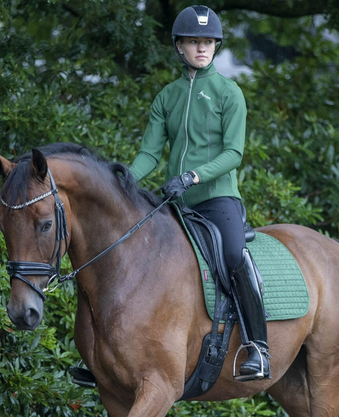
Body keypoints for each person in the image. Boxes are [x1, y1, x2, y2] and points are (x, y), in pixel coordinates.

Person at [129, 5, 270, 380]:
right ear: (179, 46)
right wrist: (123, 180)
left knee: (233, 254)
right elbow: (149, 154)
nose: (202, 48)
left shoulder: (229, 93)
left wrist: (191, 176)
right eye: (194, 41)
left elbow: (233, 153)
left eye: (208, 42)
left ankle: (258, 347)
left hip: (217, 198)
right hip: (175, 202)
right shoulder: (167, 97)